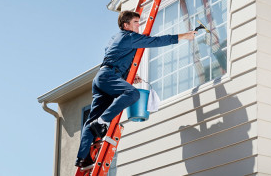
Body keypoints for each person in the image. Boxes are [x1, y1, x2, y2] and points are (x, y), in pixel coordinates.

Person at [75, 11, 196, 167]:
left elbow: (115, 57)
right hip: (109, 76)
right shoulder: (129, 37)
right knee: (132, 93)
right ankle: (102, 122)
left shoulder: (115, 38)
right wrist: (184, 36)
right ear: (126, 25)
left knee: (91, 120)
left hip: (102, 77)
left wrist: (126, 75)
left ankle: (82, 158)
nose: (139, 25)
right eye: (136, 22)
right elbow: (155, 41)